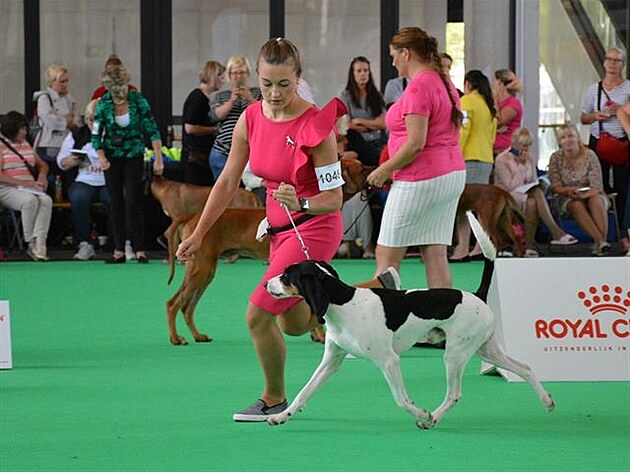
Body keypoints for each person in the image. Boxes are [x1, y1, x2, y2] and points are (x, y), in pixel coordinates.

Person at [176, 38, 347, 422]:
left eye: (284, 84)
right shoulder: (250, 117)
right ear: (257, 79)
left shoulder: (316, 126)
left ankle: (274, 398)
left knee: (257, 314)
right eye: (267, 84)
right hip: (277, 229)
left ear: (298, 79)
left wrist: (301, 201)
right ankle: (332, 307)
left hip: (314, 228)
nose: (274, 94)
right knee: (292, 325)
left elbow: (334, 198)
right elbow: (226, 183)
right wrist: (199, 234)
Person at [365, 26, 465, 289]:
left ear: (406, 53)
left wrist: (383, 170)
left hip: (420, 178)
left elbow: (415, 144)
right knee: (435, 253)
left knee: (386, 257)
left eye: (393, 55)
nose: (393, 61)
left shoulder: (418, 88)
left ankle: (383, 324)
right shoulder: (444, 83)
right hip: (451, 175)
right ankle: (442, 321)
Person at [92, 65, 164, 264]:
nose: (118, 92)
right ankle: (118, 250)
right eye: (113, 89)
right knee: (115, 203)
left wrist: (158, 157)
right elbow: (96, 135)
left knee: (133, 202)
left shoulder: (138, 100)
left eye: (121, 87)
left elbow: (152, 129)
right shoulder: (103, 104)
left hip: (133, 156)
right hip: (111, 158)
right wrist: (101, 158)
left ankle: (139, 248)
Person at [494, 127, 577, 257]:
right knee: (536, 194)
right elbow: (511, 186)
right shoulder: (502, 159)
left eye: (528, 145)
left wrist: (527, 167)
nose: (525, 149)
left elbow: (532, 180)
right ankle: (555, 233)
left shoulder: (530, 158)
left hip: (526, 194)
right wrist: (521, 165)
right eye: (523, 145)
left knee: (533, 200)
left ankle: (528, 246)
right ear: (514, 143)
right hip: (507, 196)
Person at [580, 47, 630, 252]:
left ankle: (624, 235)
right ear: (604, 63)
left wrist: (620, 111)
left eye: (616, 60)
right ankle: (602, 236)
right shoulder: (594, 89)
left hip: (621, 144)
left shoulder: (628, 88)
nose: (612, 63)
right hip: (599, 143)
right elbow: (583, 117)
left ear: (622, 64)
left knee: (624, 189)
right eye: (609, 59)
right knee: (599, 190)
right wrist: (596, 116)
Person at [450, 70, 497, 262]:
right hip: (486, 158)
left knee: (463, 207)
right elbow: (493, 135)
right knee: (481, 207)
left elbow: (464, 129)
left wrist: (455, 154)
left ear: (468, 83)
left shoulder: (467, 101)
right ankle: (479, 247)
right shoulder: (489, 105)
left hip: (469, 159)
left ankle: (462, 249)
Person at [57, 100, 110, 260]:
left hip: (107, 180)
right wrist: (71, 161)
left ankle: (118, 243)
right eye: (91, 120)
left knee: (115, 198)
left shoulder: (114, 135)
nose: (94, 123)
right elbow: (61, 161)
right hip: (83, 179)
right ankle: (84, 243)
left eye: (98, 119)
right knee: (79, 198)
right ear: (86, 120)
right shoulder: (76, 135)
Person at [548, 124, 611, 256]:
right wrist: (567, 191)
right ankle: (601, 241)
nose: (567, 140)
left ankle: (600, 243)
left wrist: (584, 195)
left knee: (596, 199)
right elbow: (555, 186)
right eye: (563, 137)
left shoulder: (590, 155)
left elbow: (597, 186)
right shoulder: (556, 157)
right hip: (567, 196)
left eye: (570, 136)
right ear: (559, 142)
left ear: (578, 138)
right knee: (576, 204)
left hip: (592, 193)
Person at [0, 111, 52, 261]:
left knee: (46, 201)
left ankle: (41, 243)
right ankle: (30, 241)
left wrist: (42, 176)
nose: (24, 132)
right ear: (11, 129)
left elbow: (43, 165)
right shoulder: (1, 146)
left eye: (25, 128)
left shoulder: (26, 144)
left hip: (29, 187)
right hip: (7, 188)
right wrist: (24, 183)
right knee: (30, 201)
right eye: (21, 129)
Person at [208, 56, 262, 181]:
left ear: (247, 74)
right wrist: (232, 100)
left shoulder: (258, 93)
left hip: (251, 153)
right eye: (235, 73)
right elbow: (215, 116)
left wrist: (249, 98)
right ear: (229, 75)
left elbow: (265, 114)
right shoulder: (221, 96)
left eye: (242, 72)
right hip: (223, 152)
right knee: (226, 191)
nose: (238, 76)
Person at [181, 60, 225, 185]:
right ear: (213, 76)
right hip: (194, 159)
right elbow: (189, 128)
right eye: (221, 77)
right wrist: (214, 130)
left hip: (200, 157)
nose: (223, 80)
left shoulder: (204, 98)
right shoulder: (198, 98)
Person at [33, 64, 80, 180]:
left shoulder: (70, 99)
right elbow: (49, 120)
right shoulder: (44, 98)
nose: (65, 84)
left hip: (67, 141)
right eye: (61, 81)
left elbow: (77, 119)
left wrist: (66, 120)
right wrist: (66, 122)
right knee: (52, 175)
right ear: (52, 82)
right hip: (49, 144)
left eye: (66, 81)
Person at [339, 56, 386, 167]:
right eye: (359, 71)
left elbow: (383, 123)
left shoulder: (376, 95)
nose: (363, 74)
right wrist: (373, 124)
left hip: (378, 140)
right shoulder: (346, 96)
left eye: (366, 70)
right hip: (358, 142)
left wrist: (359, 120)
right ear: (353, 74)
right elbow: (346, 124)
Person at [492, 68, 523, 154]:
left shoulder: (513, 104)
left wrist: (494, 101)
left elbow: (498, 122)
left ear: (500, 83)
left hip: (506, 150)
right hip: (492, 148)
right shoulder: (498, 103)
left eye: (494, 82)